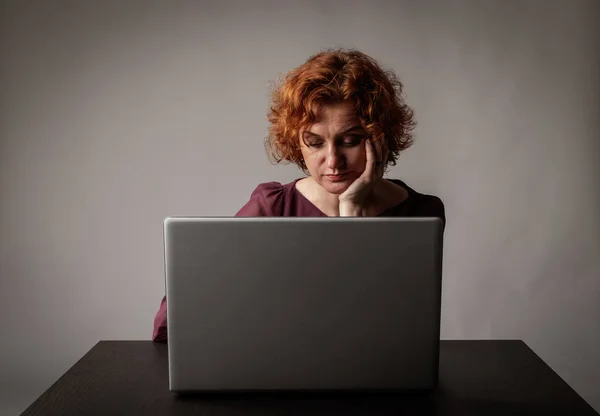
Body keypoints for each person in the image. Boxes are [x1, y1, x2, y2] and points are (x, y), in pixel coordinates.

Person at [152, 48, 446, 343]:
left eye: (350, 141)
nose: (333, 161)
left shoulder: (421, 213)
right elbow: (170, 322)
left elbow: (362, 330)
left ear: (379, 138)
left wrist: (351, 209)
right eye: (315, 143)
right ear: (297, 143)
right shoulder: (273, 207)